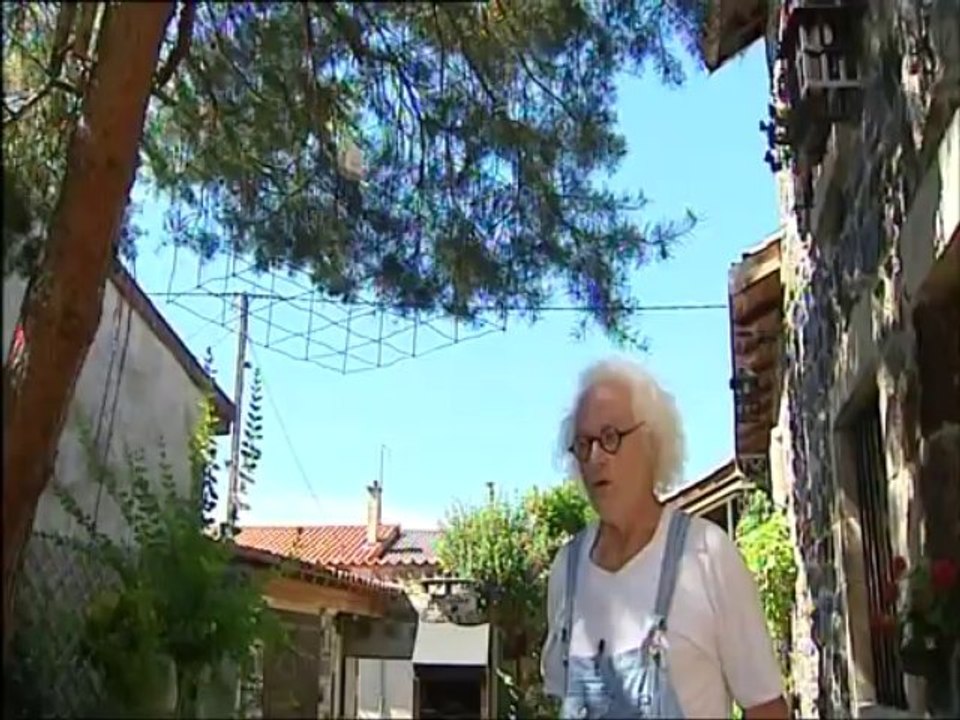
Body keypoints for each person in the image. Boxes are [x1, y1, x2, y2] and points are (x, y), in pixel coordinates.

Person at [541, 358, 789, 719]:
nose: (595, 458)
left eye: (610, 438)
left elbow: (766, 709)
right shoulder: (567, 571)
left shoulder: (706, 554)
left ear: (652, 443)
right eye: (583, 444)